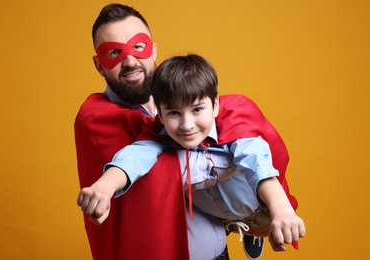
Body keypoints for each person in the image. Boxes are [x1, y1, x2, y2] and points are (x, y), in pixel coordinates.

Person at [78, 54, 306, 259]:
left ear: (215, 106)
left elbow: (260, 167)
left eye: (197, 109)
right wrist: (104, 187)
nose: (187, 125)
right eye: (174, 113)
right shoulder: (158, 134)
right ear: (160, 112)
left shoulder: (237, 128)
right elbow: (132, 158)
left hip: (260, 209)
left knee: (257, 202)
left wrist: (281, 211)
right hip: (221, 217)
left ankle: (254, 230)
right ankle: (239, 226)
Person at [75, 4, 230, 260]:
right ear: (99, 65)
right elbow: (160, 170)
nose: (130, 61)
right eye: (114, 52)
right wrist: (227, 160)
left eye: (138, 47)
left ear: (153, 50)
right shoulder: (97, 119)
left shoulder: (182, 100)